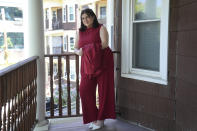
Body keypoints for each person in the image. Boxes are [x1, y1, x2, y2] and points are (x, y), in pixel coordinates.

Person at [74, 8, 116, 130]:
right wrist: (79, 52)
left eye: (87, 17)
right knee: (84, 90)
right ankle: (94, 117)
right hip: (87, 65)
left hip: (104, 63)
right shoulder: (79, 32)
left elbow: (105, 44)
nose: (85, 20)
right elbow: (75, 48)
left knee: (104, 92)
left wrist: (86, 49)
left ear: (93, 17)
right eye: (83, 18)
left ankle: (101, 119)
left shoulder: (101, 28)